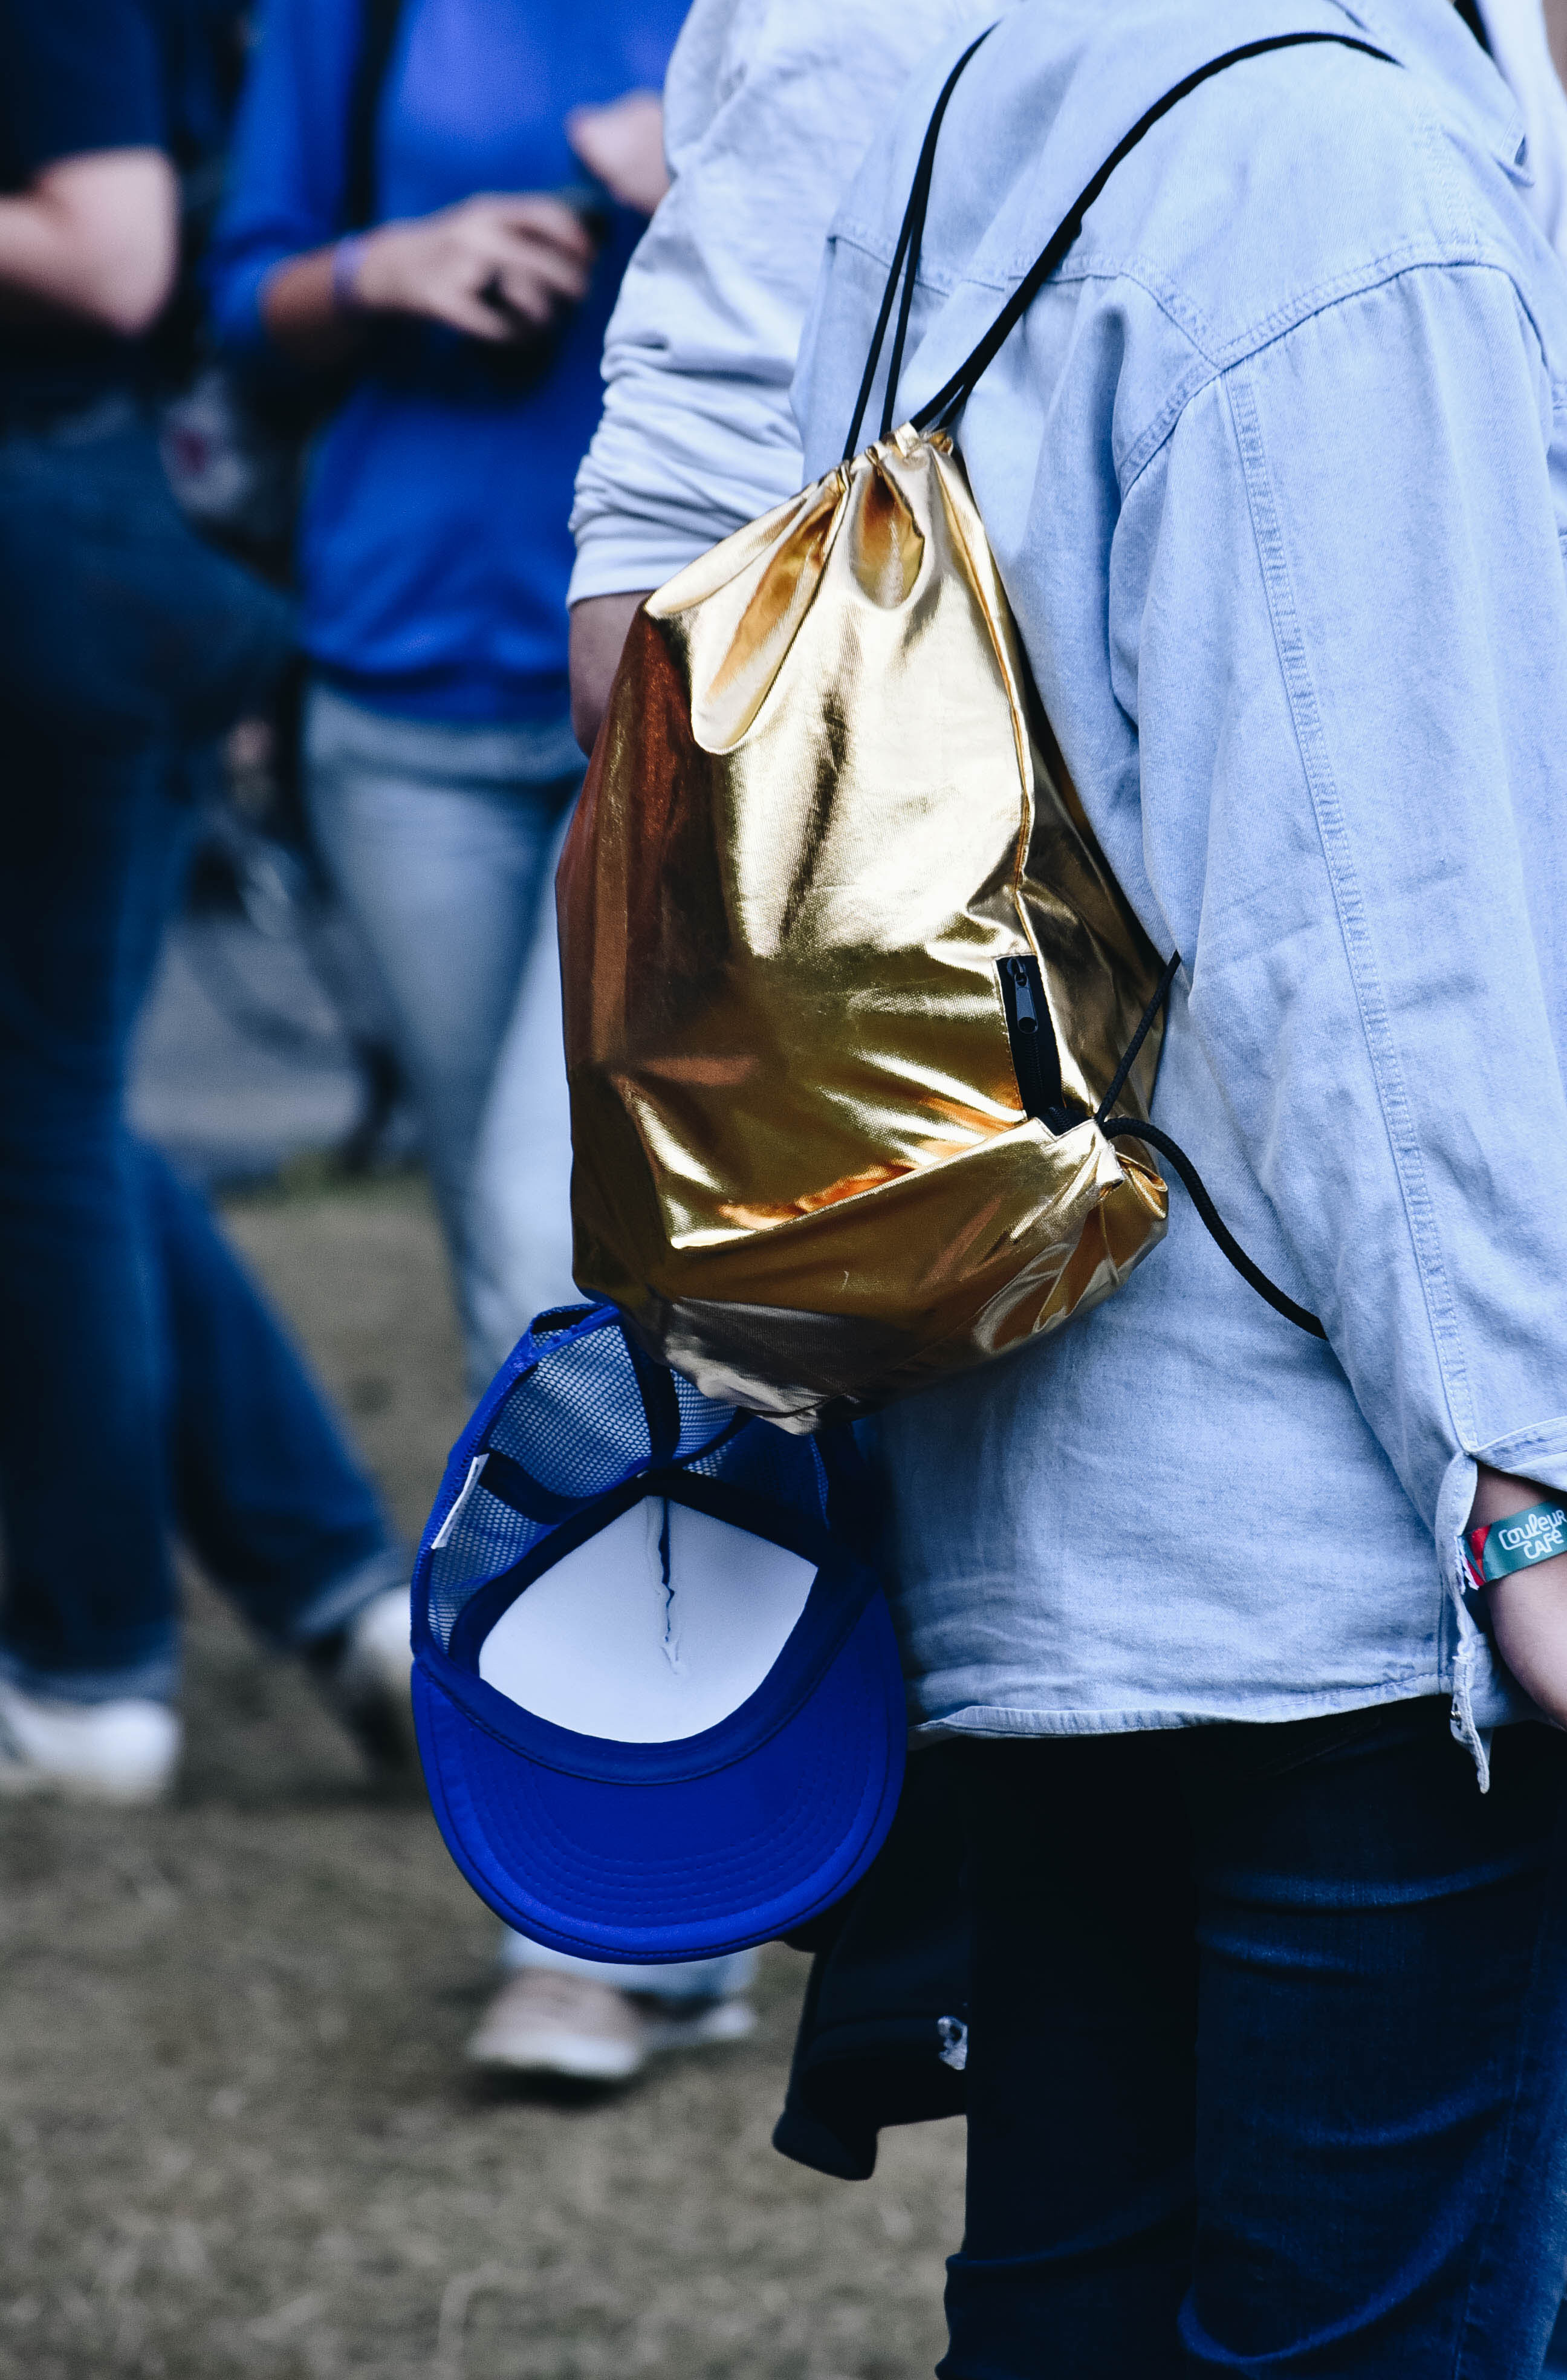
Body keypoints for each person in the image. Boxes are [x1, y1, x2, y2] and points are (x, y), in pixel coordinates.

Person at [568, 0, 1567, 2367]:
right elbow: (1376, 929)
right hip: (1343, 1553)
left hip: (1034, 1477)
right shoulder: (1330, 163)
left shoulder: (992, 80)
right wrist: (1533, 1491)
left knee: (1064, 2307)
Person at [207, 0, 758, 2084]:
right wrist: (385, 268)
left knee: (590, 1263)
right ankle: (646, 1864)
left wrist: (681, 170)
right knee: (506, 1288)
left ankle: (634, 1915)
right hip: (409, 692)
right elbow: (231, 286)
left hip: (695, 700)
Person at [0, 0, 415, 1806]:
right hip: (94, 550)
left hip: (62, 556)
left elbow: (107, 253)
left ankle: (93, 1675)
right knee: (54, 1103)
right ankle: (343, 1593)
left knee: (38, 1118)